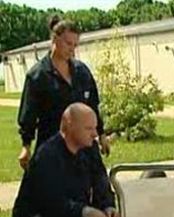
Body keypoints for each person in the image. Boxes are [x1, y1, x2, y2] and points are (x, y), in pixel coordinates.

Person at [16, 15, 110, 171]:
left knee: (101, 192)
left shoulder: (82, 72)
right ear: (54, 40)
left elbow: (93, 106)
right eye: (68, 43)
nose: (72, 49)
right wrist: (26, 146)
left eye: (75, 45)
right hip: (53, 149)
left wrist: (101, 134)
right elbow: (29, 114)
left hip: (85, 147)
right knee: (55, 192)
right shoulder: (37, 76)